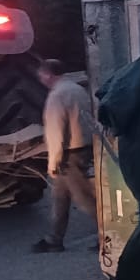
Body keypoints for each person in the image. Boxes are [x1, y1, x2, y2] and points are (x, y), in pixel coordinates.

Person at [32, 58, 97, 253]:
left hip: (69, 156)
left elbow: (55, 131)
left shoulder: (57, 96)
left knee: (85, 199)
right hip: (83, 148)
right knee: (59, 197)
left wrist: (53, 161)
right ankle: (54, 239)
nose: (39, 77)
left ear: (49, 74)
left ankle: (108, 236)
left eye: (41, 73)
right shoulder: (78, 89)